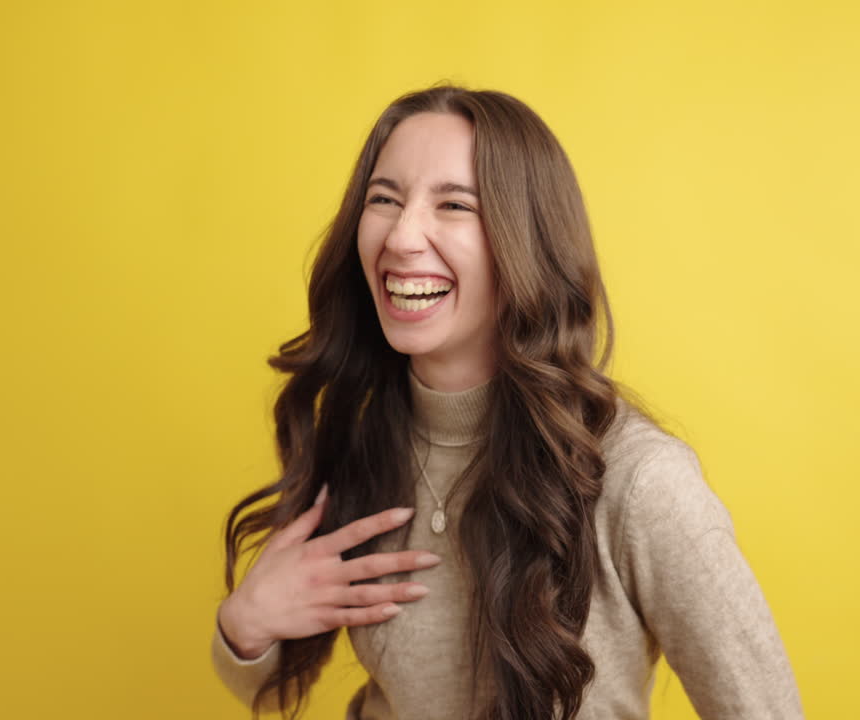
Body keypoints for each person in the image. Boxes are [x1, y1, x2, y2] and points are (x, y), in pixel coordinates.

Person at [211, 82, 804, 720]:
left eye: (455, 205)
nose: (403, 237)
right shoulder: (361, 435)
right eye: (384, 199)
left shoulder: (639, 480)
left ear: (527, 241)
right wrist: (246, 624)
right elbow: (269, 687)